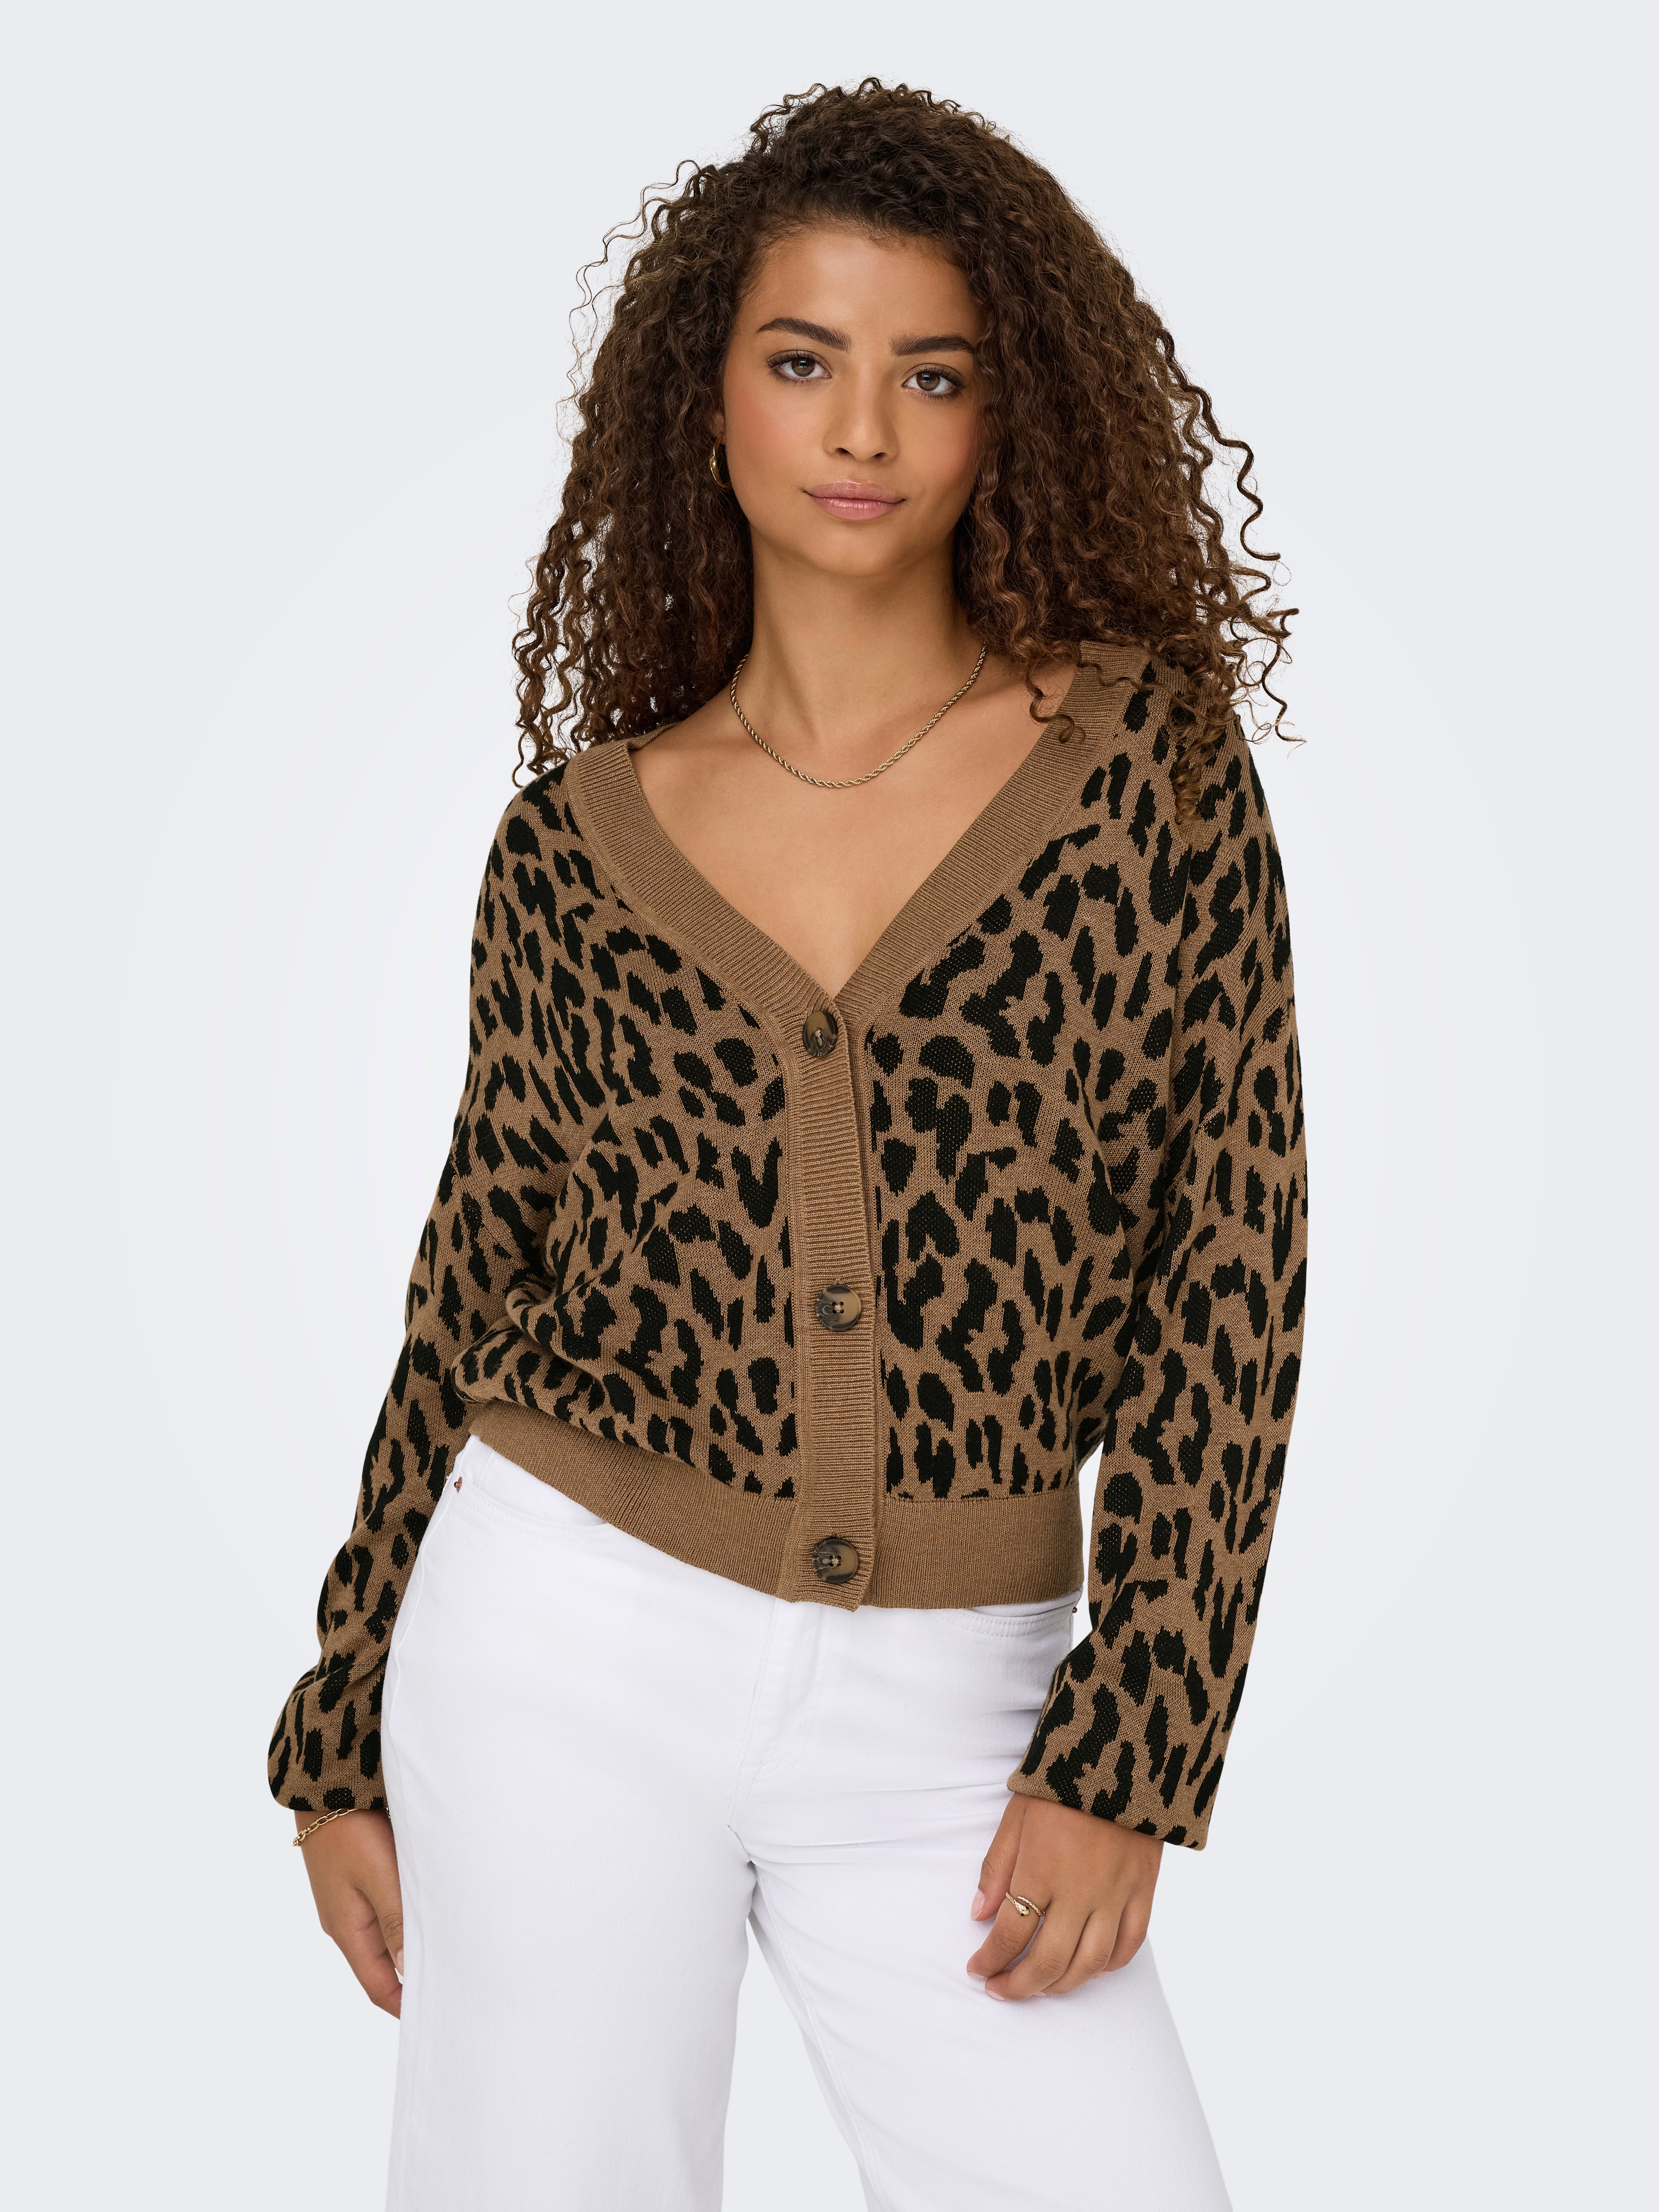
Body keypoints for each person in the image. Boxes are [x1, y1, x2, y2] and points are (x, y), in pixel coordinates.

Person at [273, 79, 1306, 2212]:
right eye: (804, 360)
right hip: (560, 1646)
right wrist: (342, 1720)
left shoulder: (1149, 771)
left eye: (933, 373)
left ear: (1010, 410)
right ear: (709, 399)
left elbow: (1234, 1265)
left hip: (965, 1709)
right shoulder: (576, 845)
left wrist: (1138, 1748)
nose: (864, 430)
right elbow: (477, 1279)